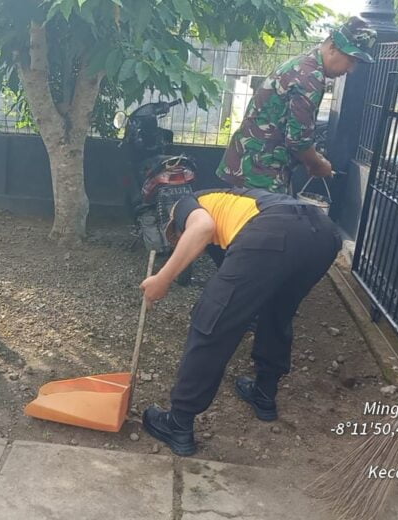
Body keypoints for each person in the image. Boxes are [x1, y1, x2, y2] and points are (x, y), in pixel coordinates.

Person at [139, 188, 342, 456]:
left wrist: (162, 279)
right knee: (276, 313)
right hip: (323, 235)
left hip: (275, 229)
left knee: (211, 321)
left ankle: (178, 423)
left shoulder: (187, 204)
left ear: (177, 226)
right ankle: (264, 394)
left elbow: (201, 228)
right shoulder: (233, 218)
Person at [217, 17, 377, 194]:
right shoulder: (310, 77)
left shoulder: (304, 64)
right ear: (333, 48)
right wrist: (319, 164)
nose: (351, 69)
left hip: (252, 162)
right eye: (351, 60)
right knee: (266, 220)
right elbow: (298, 141)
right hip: (261, 170)